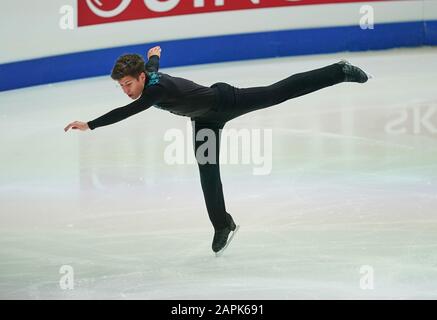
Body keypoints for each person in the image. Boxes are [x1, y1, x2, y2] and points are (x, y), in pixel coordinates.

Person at [64, 45, 370, 255]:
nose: (126, 91)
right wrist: (153, 55)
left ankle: (338, 71)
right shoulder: (148, 76)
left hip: (225, 101)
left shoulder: (152, 89)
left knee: (277, 93)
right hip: (203, 119)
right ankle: (223, 225)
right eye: (122, 87)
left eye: (128, 84)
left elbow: (125, 113)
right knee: (208, 174)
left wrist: (90, 124)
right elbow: (153, 66)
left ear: (142, 77)